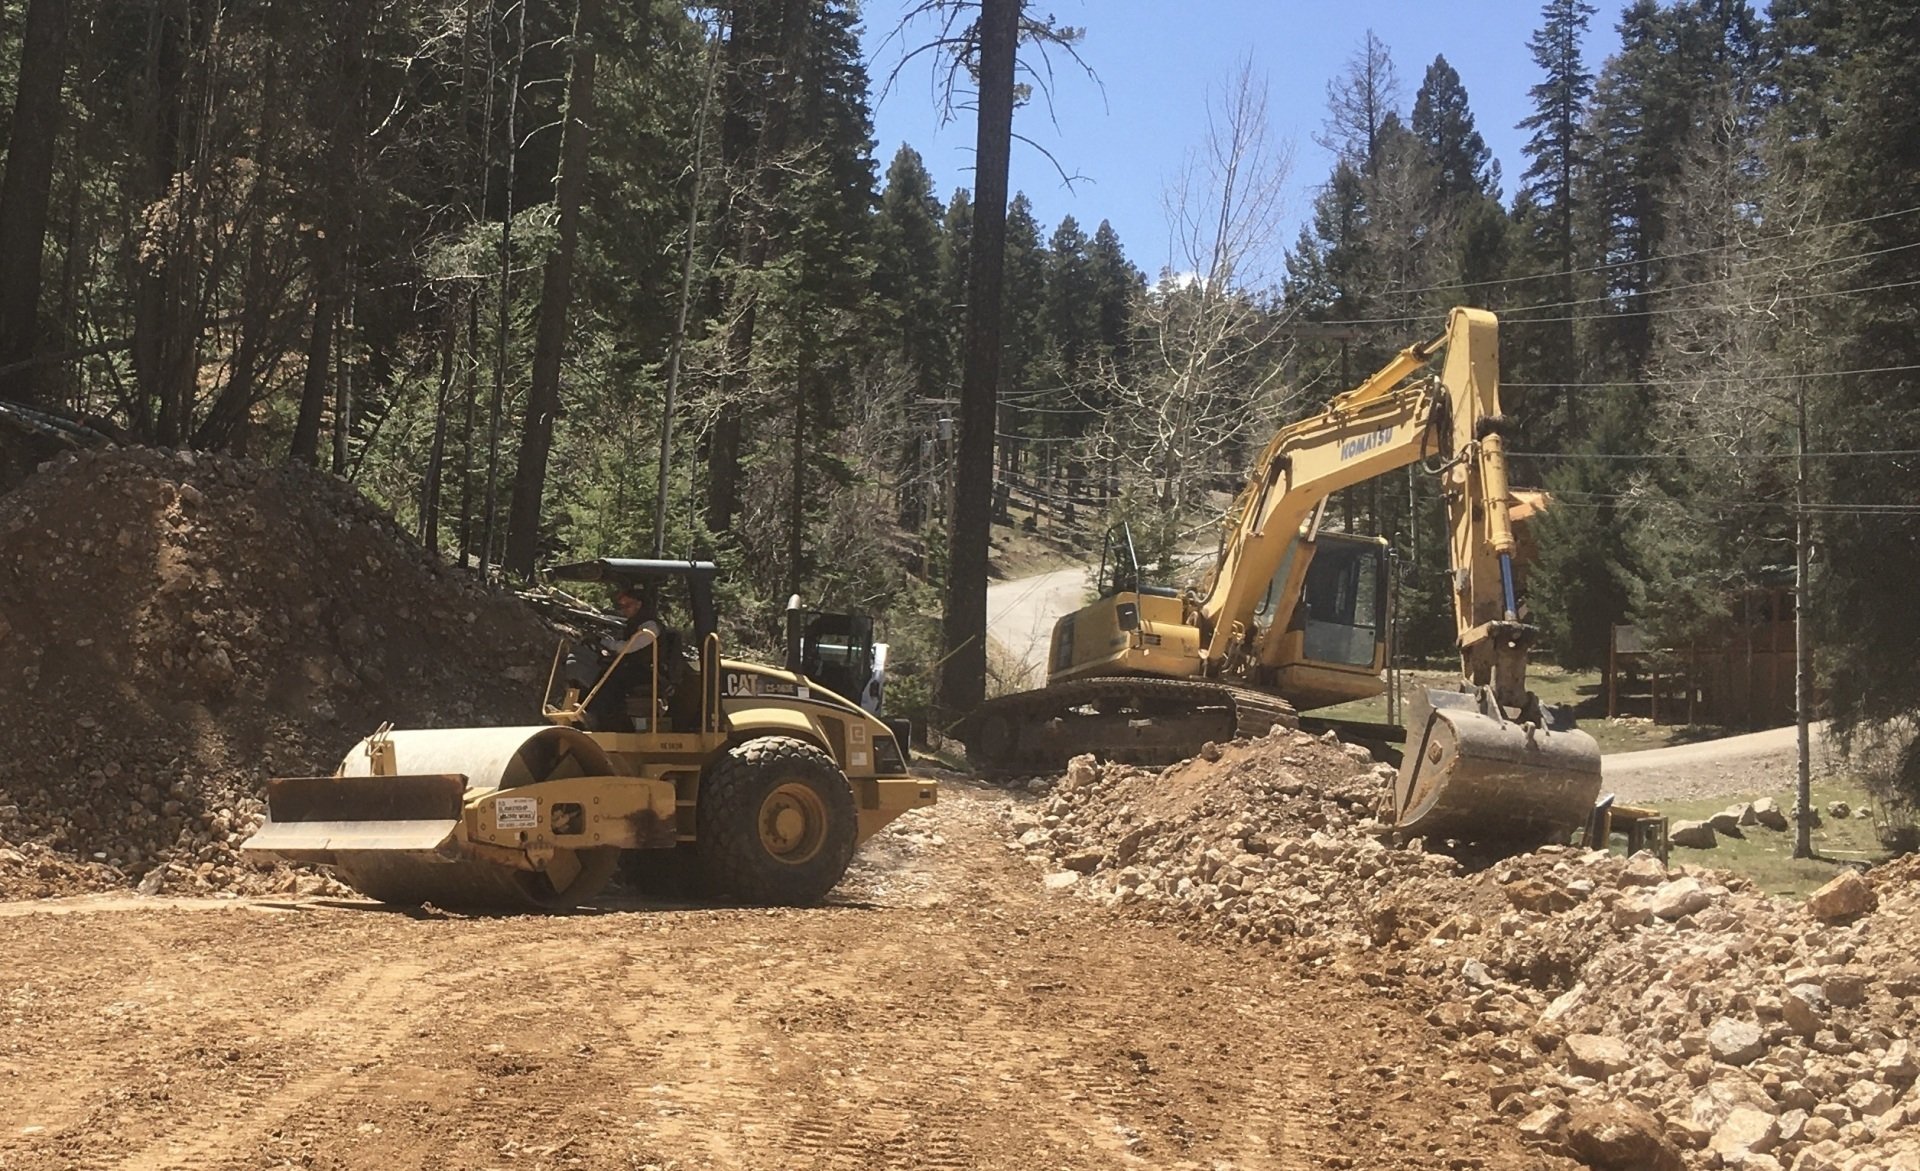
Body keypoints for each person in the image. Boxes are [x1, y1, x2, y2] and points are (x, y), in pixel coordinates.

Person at [587, 585, 665, 730]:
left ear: (639, 605)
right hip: (637, 668)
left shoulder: (650, 626)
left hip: (650, 672)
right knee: (604, 671)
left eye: (627, 605)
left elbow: (628, 647)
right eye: (621, 606)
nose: (624, 610)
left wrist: (604, 642)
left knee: (613, 678)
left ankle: (606, 719)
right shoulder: (634, 624)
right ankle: (593, 713)